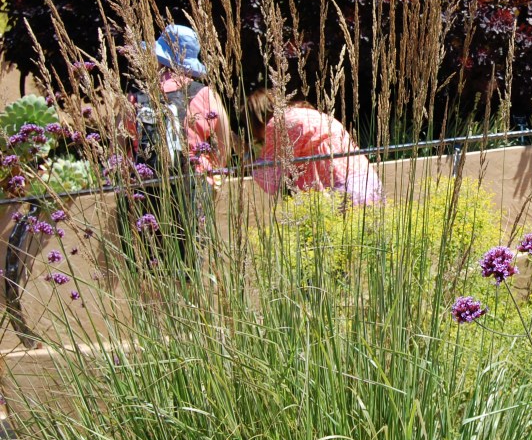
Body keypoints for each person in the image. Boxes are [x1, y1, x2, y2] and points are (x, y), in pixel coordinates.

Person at [122, 24, 231, 268]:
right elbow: (224, 142)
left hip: (145, 189)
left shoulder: (137, 96)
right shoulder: (204, 94)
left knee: (148, 266)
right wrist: (214, 173)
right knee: (190, 262)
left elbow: (119, 149)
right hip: (192, 185)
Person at [245, 88, 383, 206]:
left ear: (257, 118)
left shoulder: (278, 124)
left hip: (339, 192)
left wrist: (244, 153)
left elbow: (269, 179)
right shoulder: (308, 113)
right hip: (368, 182)